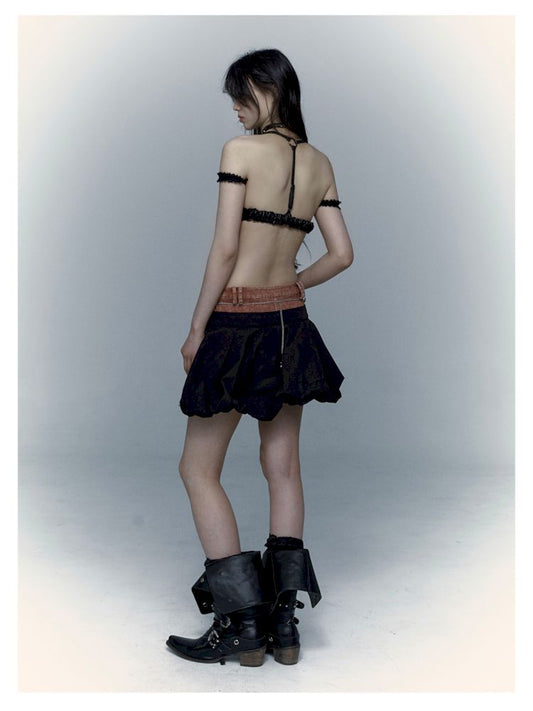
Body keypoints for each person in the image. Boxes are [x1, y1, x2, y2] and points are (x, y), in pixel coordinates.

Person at [166, 48, 354, 667]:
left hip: (237, 320)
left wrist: (198, 327)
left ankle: (241, 622)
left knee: (198, 469)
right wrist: (295, 283)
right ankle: (285, 625)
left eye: (240, 95)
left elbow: (225, 249)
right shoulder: (321, 162)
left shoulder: (240, 152)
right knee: (283, 467)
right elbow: (342, 254)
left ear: (265, 89)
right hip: (289, 324)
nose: (236, 109)